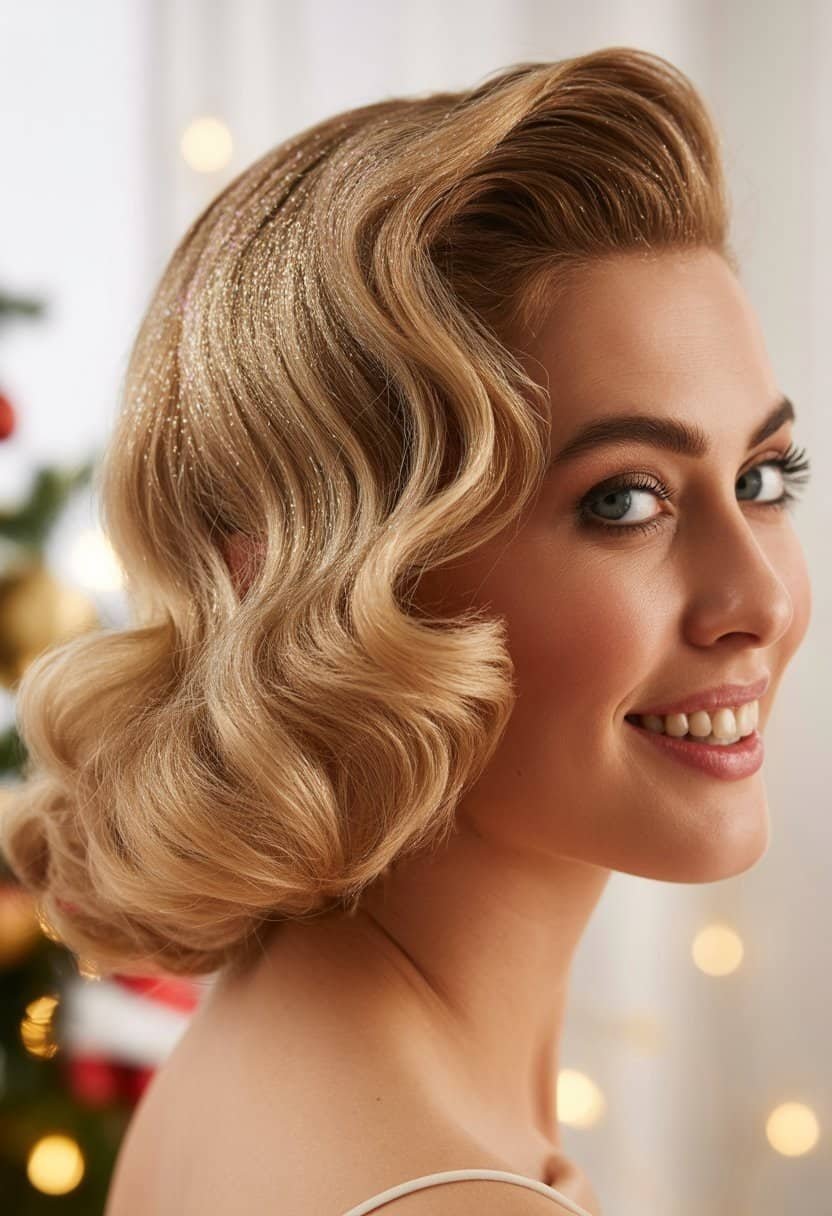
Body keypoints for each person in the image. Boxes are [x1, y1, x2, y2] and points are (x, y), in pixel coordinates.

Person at [0, 46, 812, 1216]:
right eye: (623, 500)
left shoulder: (274, 1039)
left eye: (765, 477)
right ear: (347, 583)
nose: (764, 601)